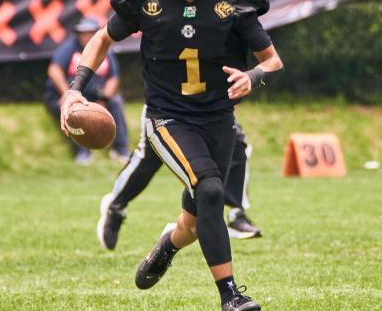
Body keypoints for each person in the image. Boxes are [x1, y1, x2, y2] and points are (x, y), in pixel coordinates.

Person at [61, 0, 283, 311]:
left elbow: (272, 61)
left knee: (196, 219)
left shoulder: (235, 2)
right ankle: (231, 298)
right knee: (212, 190)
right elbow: (100, 41)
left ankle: (167, 245)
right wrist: (76, 89)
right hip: (168, 117)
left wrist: (253, 76)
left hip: (217, 117)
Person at [96, 107, 261, 250]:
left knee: (236, 143)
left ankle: (236, 213)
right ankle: (116, 206)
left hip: (209, 106)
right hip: (167, 105)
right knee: (149, 158)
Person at [44, 16, 129, 164]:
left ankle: (121, 150)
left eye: (90, 33)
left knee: (116, 101)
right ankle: (82, 152)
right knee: (73, 112)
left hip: (96, 95)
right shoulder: (69, 48)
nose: (86, 36)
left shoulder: (105, 50)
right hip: (71, 94)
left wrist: (104, 99)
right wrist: (66, 93)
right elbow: (54, 70)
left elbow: (113, 78)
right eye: (83, 33)